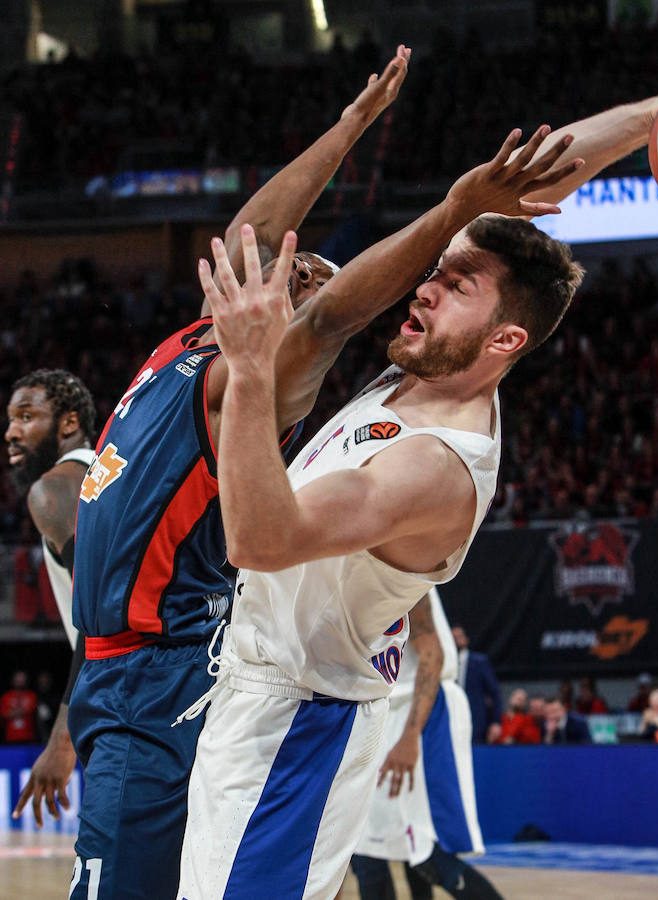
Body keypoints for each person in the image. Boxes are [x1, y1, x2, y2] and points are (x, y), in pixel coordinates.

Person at [177, 83, 658, 899]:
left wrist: (250, 368)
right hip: (259, 694)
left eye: (456, 285)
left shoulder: (437, 468)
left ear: (505, 338)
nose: (424, 288)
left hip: (295, 723)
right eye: (438, 273)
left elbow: (260, 539)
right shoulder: (432, 364)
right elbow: (525, 185)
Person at [67, 49, 414, 900]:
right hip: (116, 671)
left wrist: (449, 215)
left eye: (306, 281)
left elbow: (333, 318)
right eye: (289, 263)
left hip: (161, 674)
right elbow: (250, 234)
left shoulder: (256, 381)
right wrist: (348, 129)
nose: (290, 269)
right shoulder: (188, 345)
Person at [350, 589, 503, 900]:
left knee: (426, 849)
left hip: (424, 710)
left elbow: (432, 655)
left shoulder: (401, 565)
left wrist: (410, 737)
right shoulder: (352, 573)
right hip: (388, 711)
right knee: (374, 845)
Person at [5, 369, 95, 826]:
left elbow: (101, 614)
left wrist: (62, 742)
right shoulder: (107, 472)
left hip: (131, 702)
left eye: (26, 416)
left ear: (67, 423)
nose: (11, 433)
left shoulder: (56, 489)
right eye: (10, 419)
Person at [451, 624, 503, 744]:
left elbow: (494, 692)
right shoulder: (444, 662)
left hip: (476, 721)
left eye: (460, 636)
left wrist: (496, 722)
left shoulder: (479, 662)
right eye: (453, 637)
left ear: (466, 639)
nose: (457, 640)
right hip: (452, 719)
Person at [0, 671, 38, 743]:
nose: (20, 681)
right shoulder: (5, 697)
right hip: (10, 737)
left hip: (28, 737)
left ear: (26, 681)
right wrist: (21, 710)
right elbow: (4, 714)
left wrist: (12, 711)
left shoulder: (32, 695)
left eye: (22, 679)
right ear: (13, 680)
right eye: (18, 679)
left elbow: (30, 709)